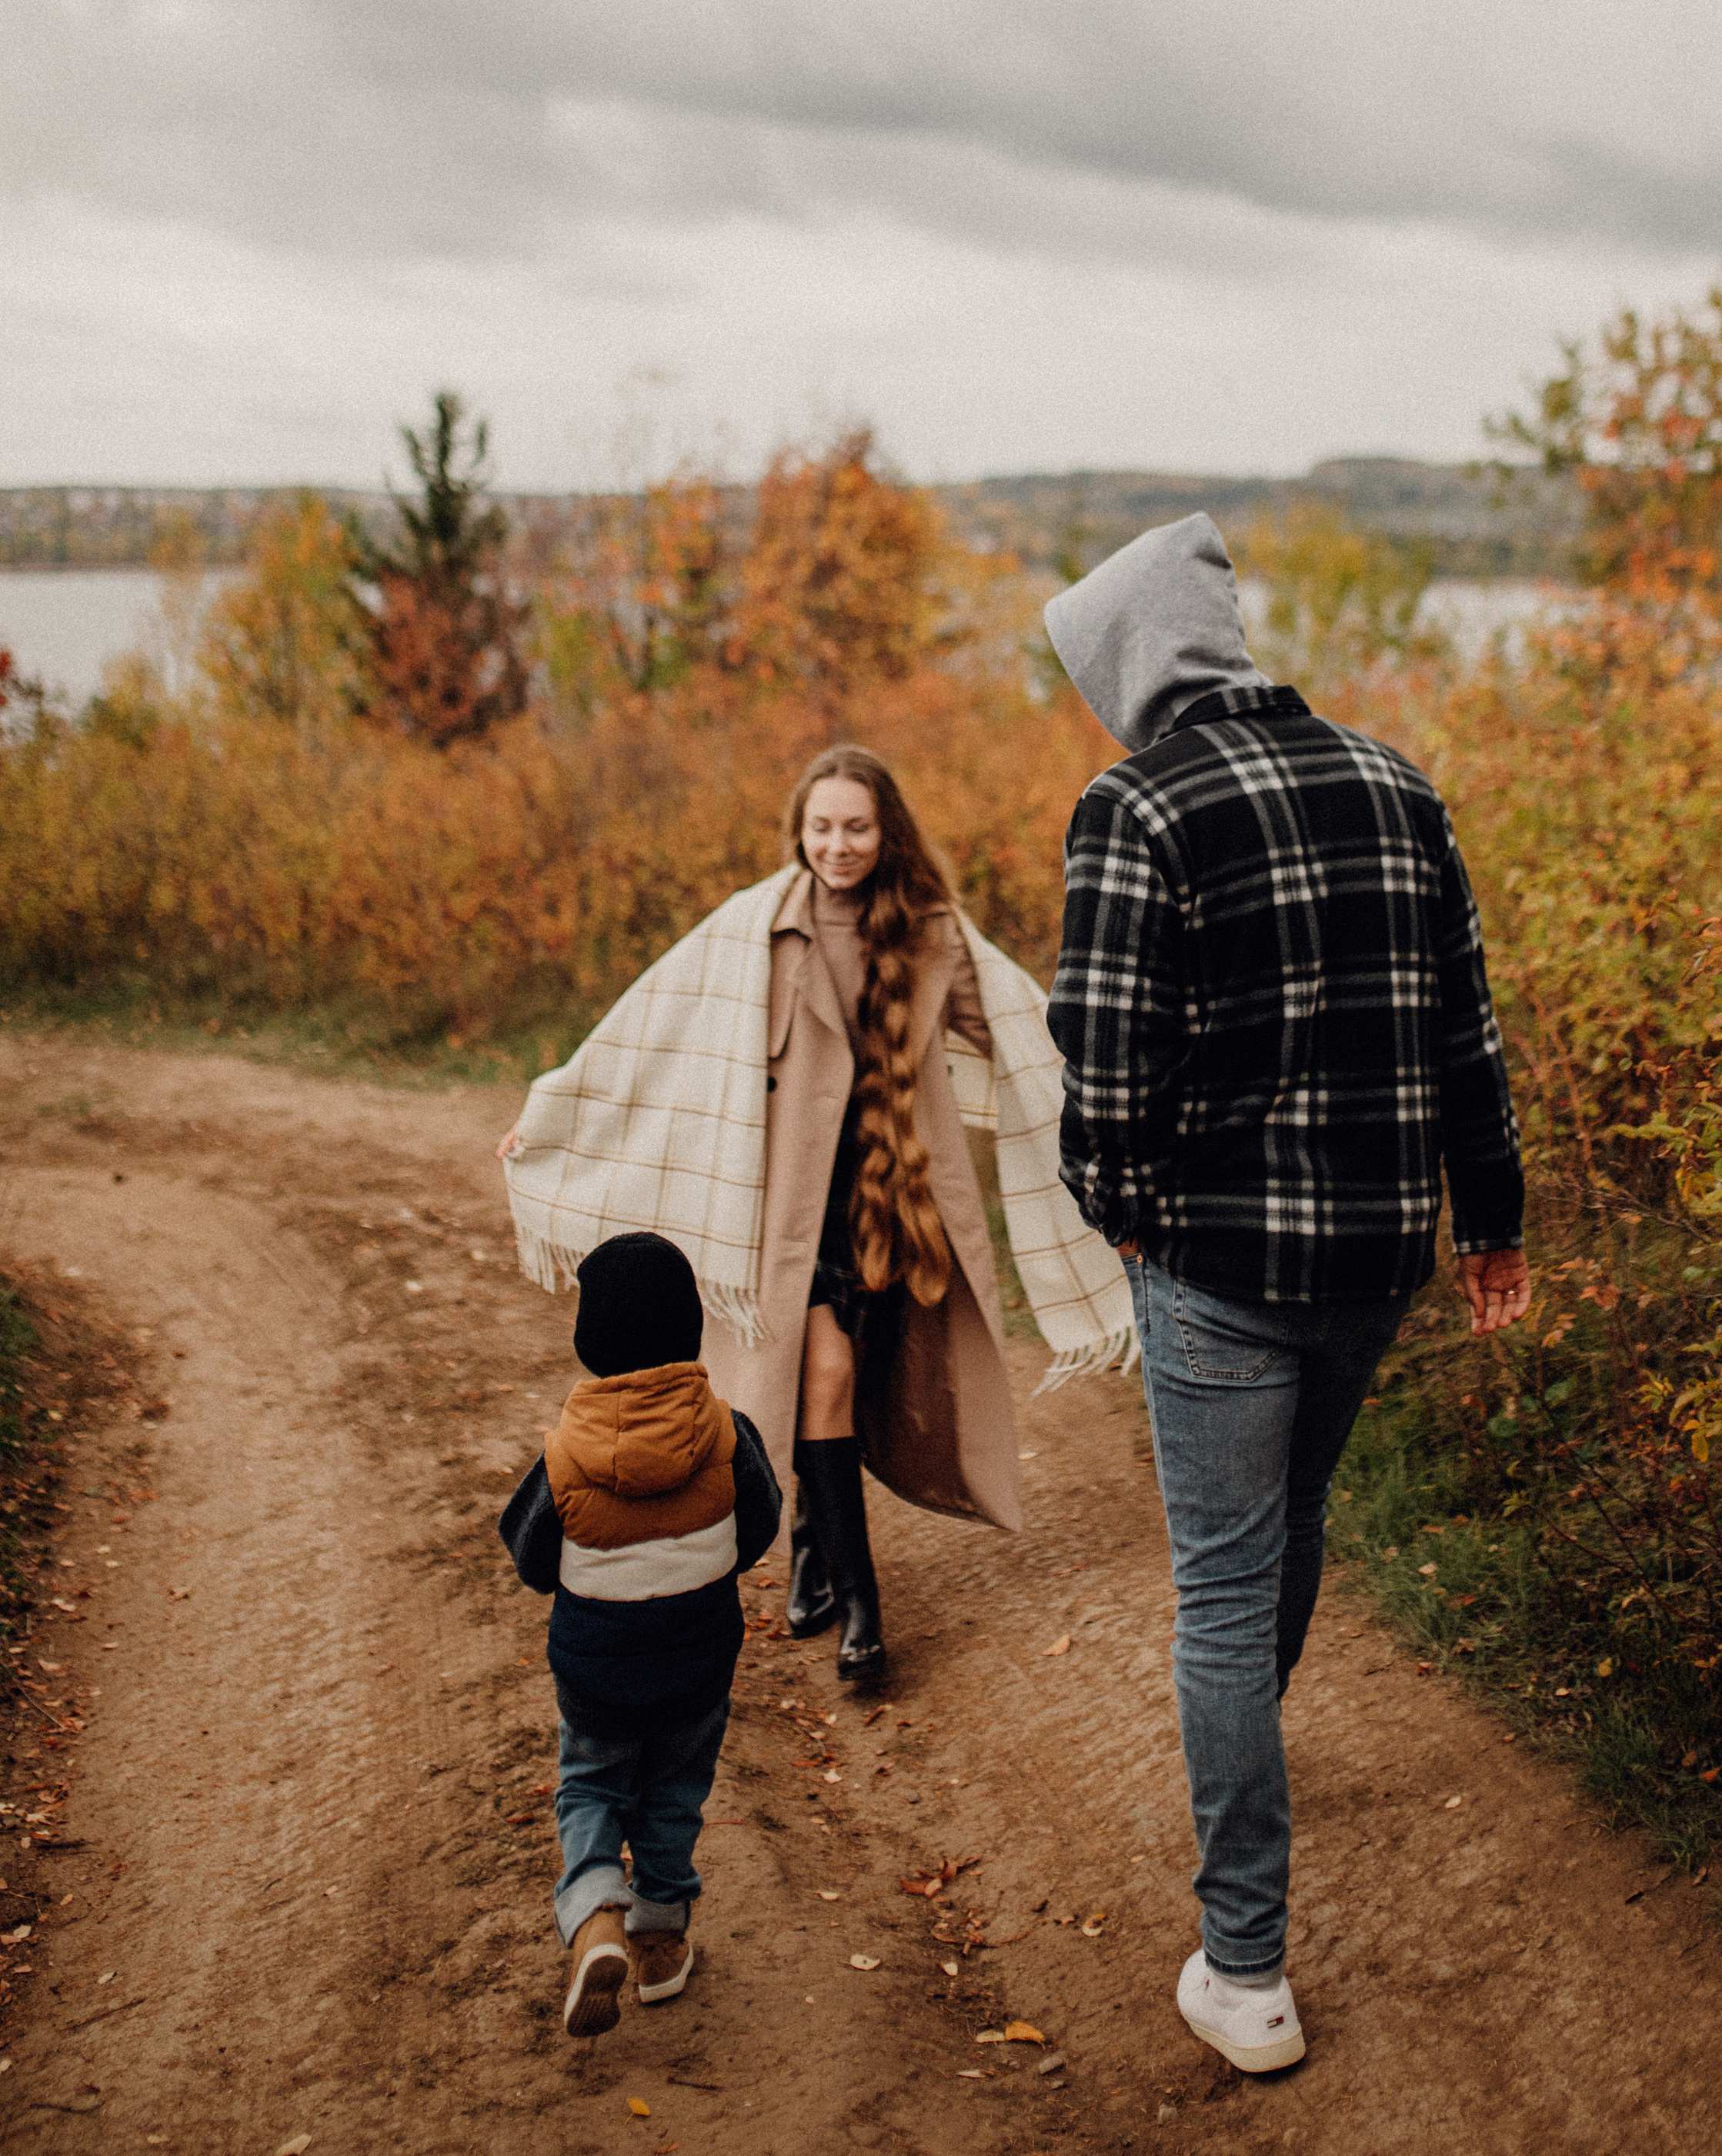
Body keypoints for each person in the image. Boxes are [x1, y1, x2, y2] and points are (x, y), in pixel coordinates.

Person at [1043, 515, 1529, 2079]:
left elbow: (1101, 1065)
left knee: (1224, 1590)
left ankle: (1244, 1969)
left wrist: (1115, 1215)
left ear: (1130, 662)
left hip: (1223, 1272)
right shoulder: (1397, 784)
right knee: (1293, 1518)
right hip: (1377, 1255)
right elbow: (1466, 1036)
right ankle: (1243, 1740)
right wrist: (1490, 1225)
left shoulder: (1133, 809)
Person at [500, 745, 1133, 1685]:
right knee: (826, 1372)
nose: (837, 846)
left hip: (885, 1205)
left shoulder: (931, 932)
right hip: (781, 1212)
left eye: (857, 828)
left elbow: (1028, 1028)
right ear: (800, 830)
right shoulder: (752, 929)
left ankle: (808, 1545)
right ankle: (863, 1613)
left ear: (888, 834)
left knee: (835, 1380)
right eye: (822, 827)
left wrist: (1130, 1080)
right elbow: (644, 1032)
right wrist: (551, 1112)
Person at [499, 1230, 782, 2038]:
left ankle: (594, 1915)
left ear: (590, 1342)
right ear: (692, 1329)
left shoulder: (564, 1457)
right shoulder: (731, 1436)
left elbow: (529, 1555)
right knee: (672, 1791)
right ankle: (660, 1942)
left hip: (596, 1673)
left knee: (591, 1785)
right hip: (697, 1664)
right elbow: (758, 1527)